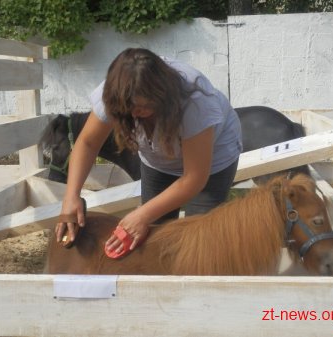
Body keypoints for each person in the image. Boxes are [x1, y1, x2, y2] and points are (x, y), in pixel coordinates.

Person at [55, 48, 242, 258]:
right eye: (127, 109)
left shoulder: (196, 102)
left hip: (211, 162)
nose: (134, 114)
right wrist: (71, 196)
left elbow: (194, 178)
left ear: (160, 95)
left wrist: (142, 214)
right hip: (158, 162)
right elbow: (88, 143)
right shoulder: (113, 92)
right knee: (152, 238)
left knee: (198, 243)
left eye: (141, 107)